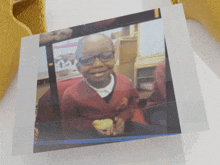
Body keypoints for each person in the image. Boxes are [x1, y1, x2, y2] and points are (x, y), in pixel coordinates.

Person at [60, 33, 139, 137]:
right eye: (87, 59)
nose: (98, 64)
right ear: (79, 66)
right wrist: (92, 126)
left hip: (125, 131)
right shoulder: (70, 95)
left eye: (106, 56)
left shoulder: (127, 84)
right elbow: (69, 124)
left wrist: (122, 118)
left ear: (114, 58)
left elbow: (133, 104)